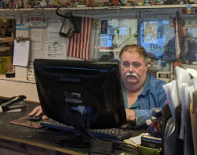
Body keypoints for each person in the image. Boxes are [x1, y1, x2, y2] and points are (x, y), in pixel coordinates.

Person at [29, 44, 167, 128]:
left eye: (136, 64)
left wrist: (133, 115)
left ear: (146, 66)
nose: (130, 69)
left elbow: (168, 116)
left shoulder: (161, 89)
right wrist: (55, 108)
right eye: (125, 64)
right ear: (119, 66)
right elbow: (85, 105)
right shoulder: (106, 85)